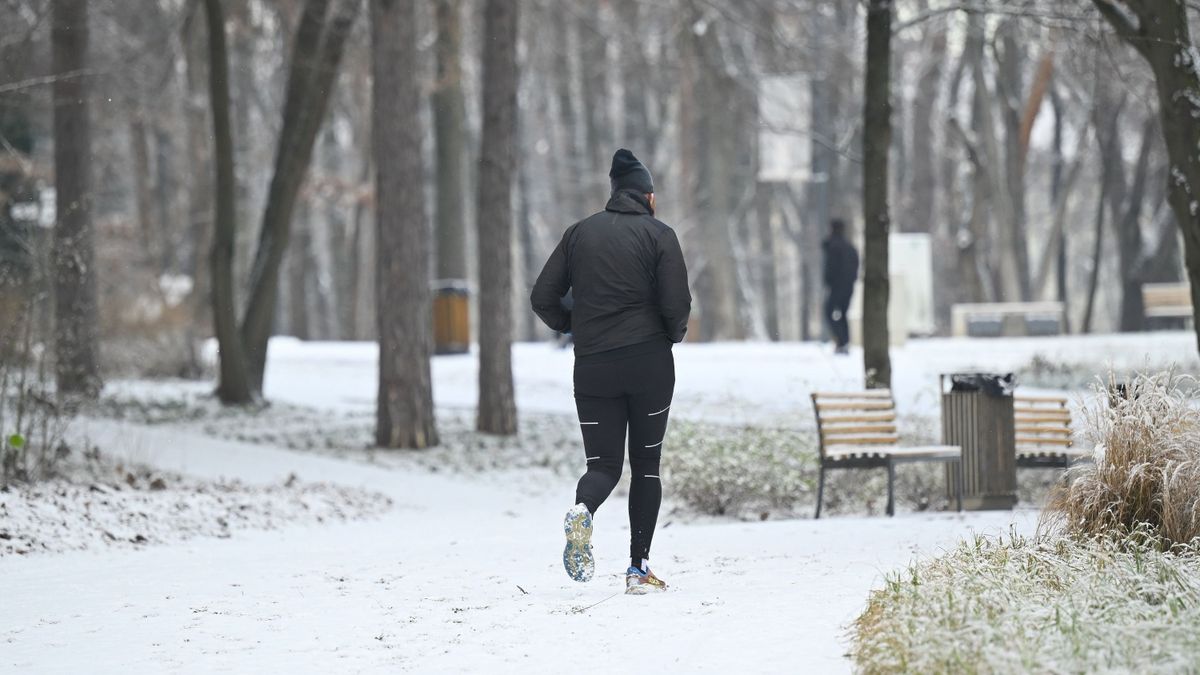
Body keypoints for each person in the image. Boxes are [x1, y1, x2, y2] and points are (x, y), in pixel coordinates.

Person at [530, 148, 691, 595]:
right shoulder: (660, 235)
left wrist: (576, 326)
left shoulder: (579, 234)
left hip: (594, 367)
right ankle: (638, 569)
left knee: (602, 465)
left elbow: (543, 297)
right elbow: (678, 306)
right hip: (649, 366)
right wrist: (667, 336)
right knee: (647, 466)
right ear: (648, 197)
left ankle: (583, 510)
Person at [822, 218, 859, 355]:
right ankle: (844, 342)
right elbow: (855, 266)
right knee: (843, 314)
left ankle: (842, 340)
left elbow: (831, 268)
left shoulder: (834, 247)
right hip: (849, 286)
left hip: (837, 286)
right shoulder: (850, 247)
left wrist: (829, 281)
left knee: (828, 312)